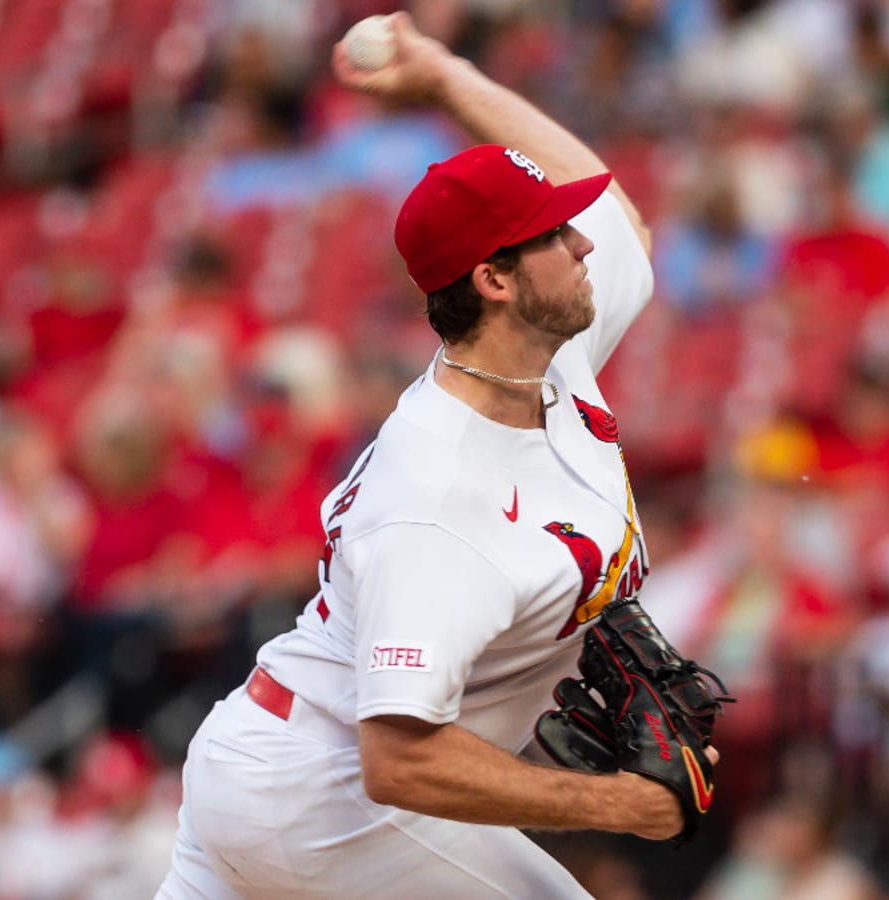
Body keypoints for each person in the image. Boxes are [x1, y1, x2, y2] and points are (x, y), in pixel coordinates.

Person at [158, 12, 717, 899]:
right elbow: (399, 761)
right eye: (553, 237)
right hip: (328, 793)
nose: (583, 246)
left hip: (277, 761)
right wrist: (618, 807)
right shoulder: (439, 497)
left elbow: (620, 221)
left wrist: (448, 79)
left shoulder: (548, 349)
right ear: (494, 281)